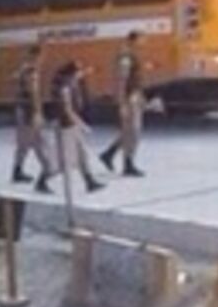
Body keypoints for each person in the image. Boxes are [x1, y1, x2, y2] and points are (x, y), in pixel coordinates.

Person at [51, 61, 103, 193]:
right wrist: (82, 124)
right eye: (78, 73)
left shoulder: (70, 85)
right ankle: (44, 178)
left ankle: (89, 181)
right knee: (65, 160)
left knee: (82, 154)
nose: (80, 75)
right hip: (66, 126)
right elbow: (68, 110)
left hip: (71, 125)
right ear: (71, 74)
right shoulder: (65, 88)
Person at [100, 31, 147, 177]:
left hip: (134, 96)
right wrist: (122, 102)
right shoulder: (125, 56)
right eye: (142, 39)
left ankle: (110, 154)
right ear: (134, 39)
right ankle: (127, 163)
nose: (143, 42)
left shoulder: (131, 54)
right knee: (133, 131)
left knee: (131, 132)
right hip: (129, 98)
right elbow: (122, 79)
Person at [10, 43, 53, 191]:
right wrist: (38, 112)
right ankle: (45, 175)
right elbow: (33, 92)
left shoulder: (22, 69)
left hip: (21, 109)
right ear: (37, 56)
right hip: (29, 111)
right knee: (39, 143)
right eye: (42, 56)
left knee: (24, 144)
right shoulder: (32, 71)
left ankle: (17, 171)